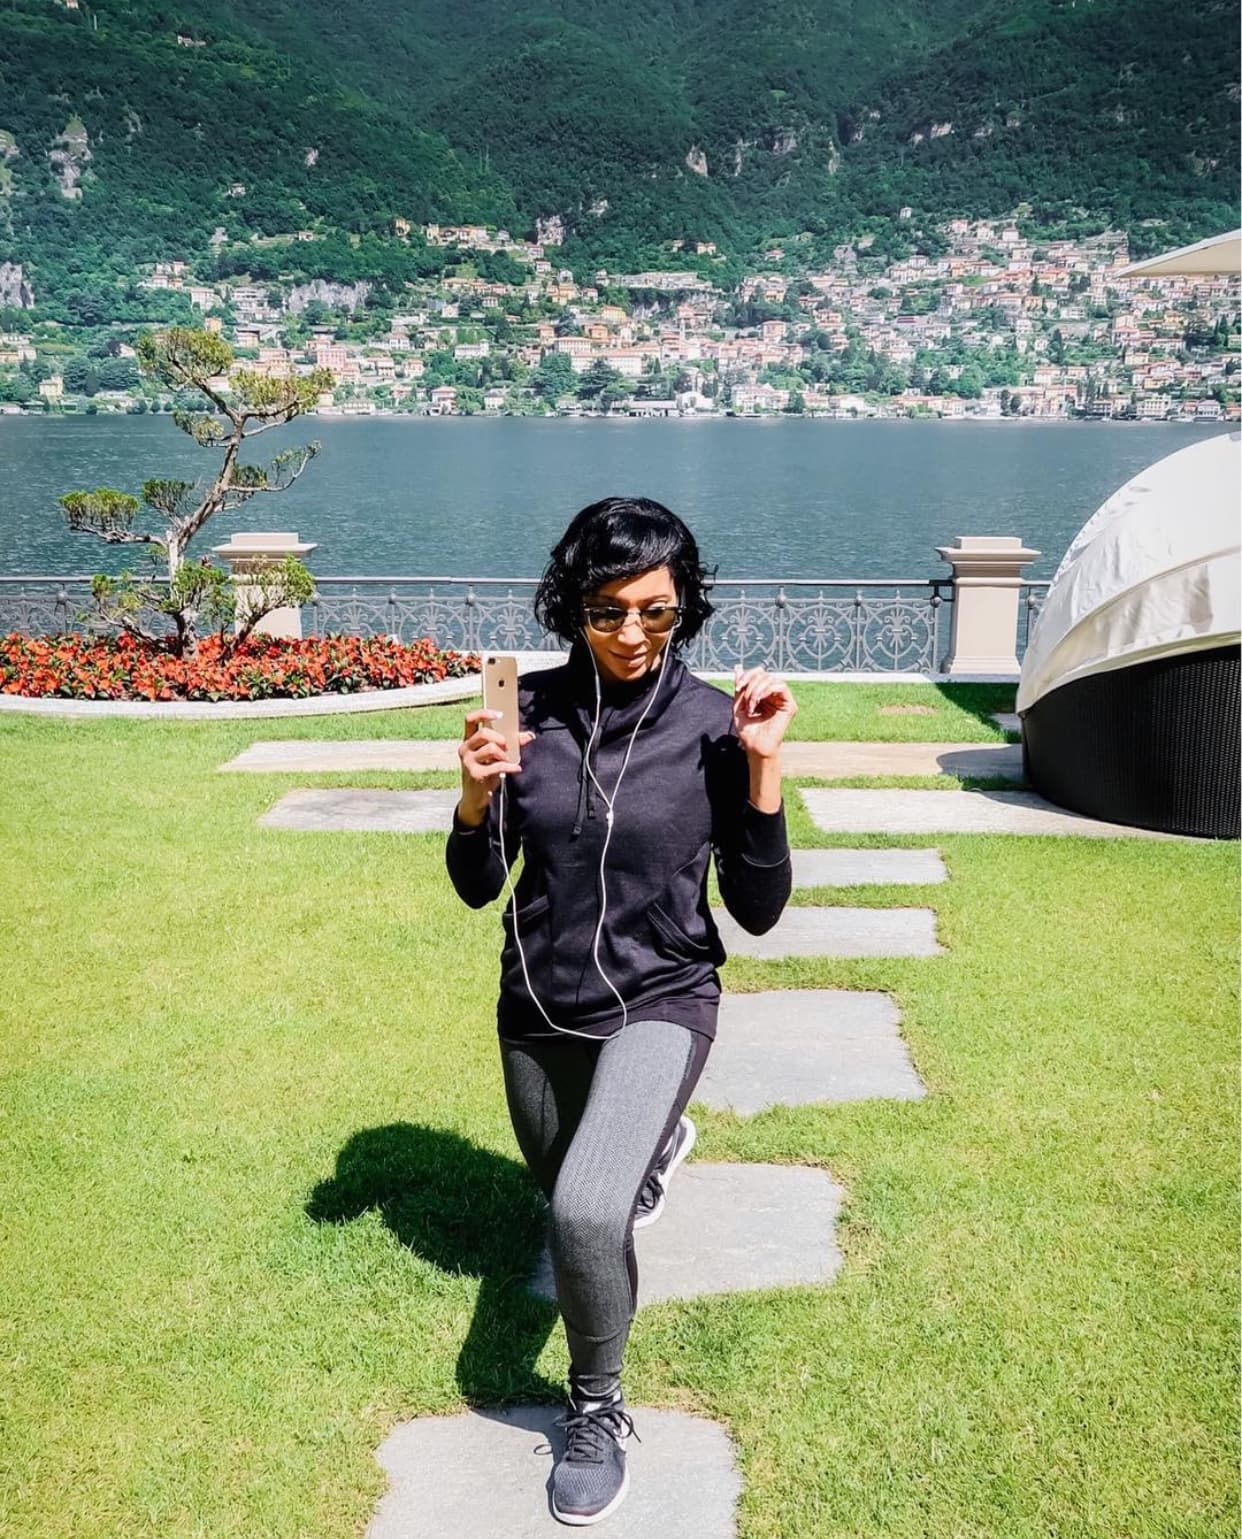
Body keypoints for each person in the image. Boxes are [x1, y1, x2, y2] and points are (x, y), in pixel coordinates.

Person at [445, 495, 796, 1525]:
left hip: (662, 993)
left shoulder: (713, 728)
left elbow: (761, 910)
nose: (635, 634)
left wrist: (765, 769)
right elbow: (478, 884)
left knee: (585, 1214)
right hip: (539, 1005)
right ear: (573, 609)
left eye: (656, 610)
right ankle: (650, 1144)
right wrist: (473, 799)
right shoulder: (528, 716)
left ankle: (595, 1408)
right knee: (570, 1200)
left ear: (683, 601)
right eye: (609, 613)